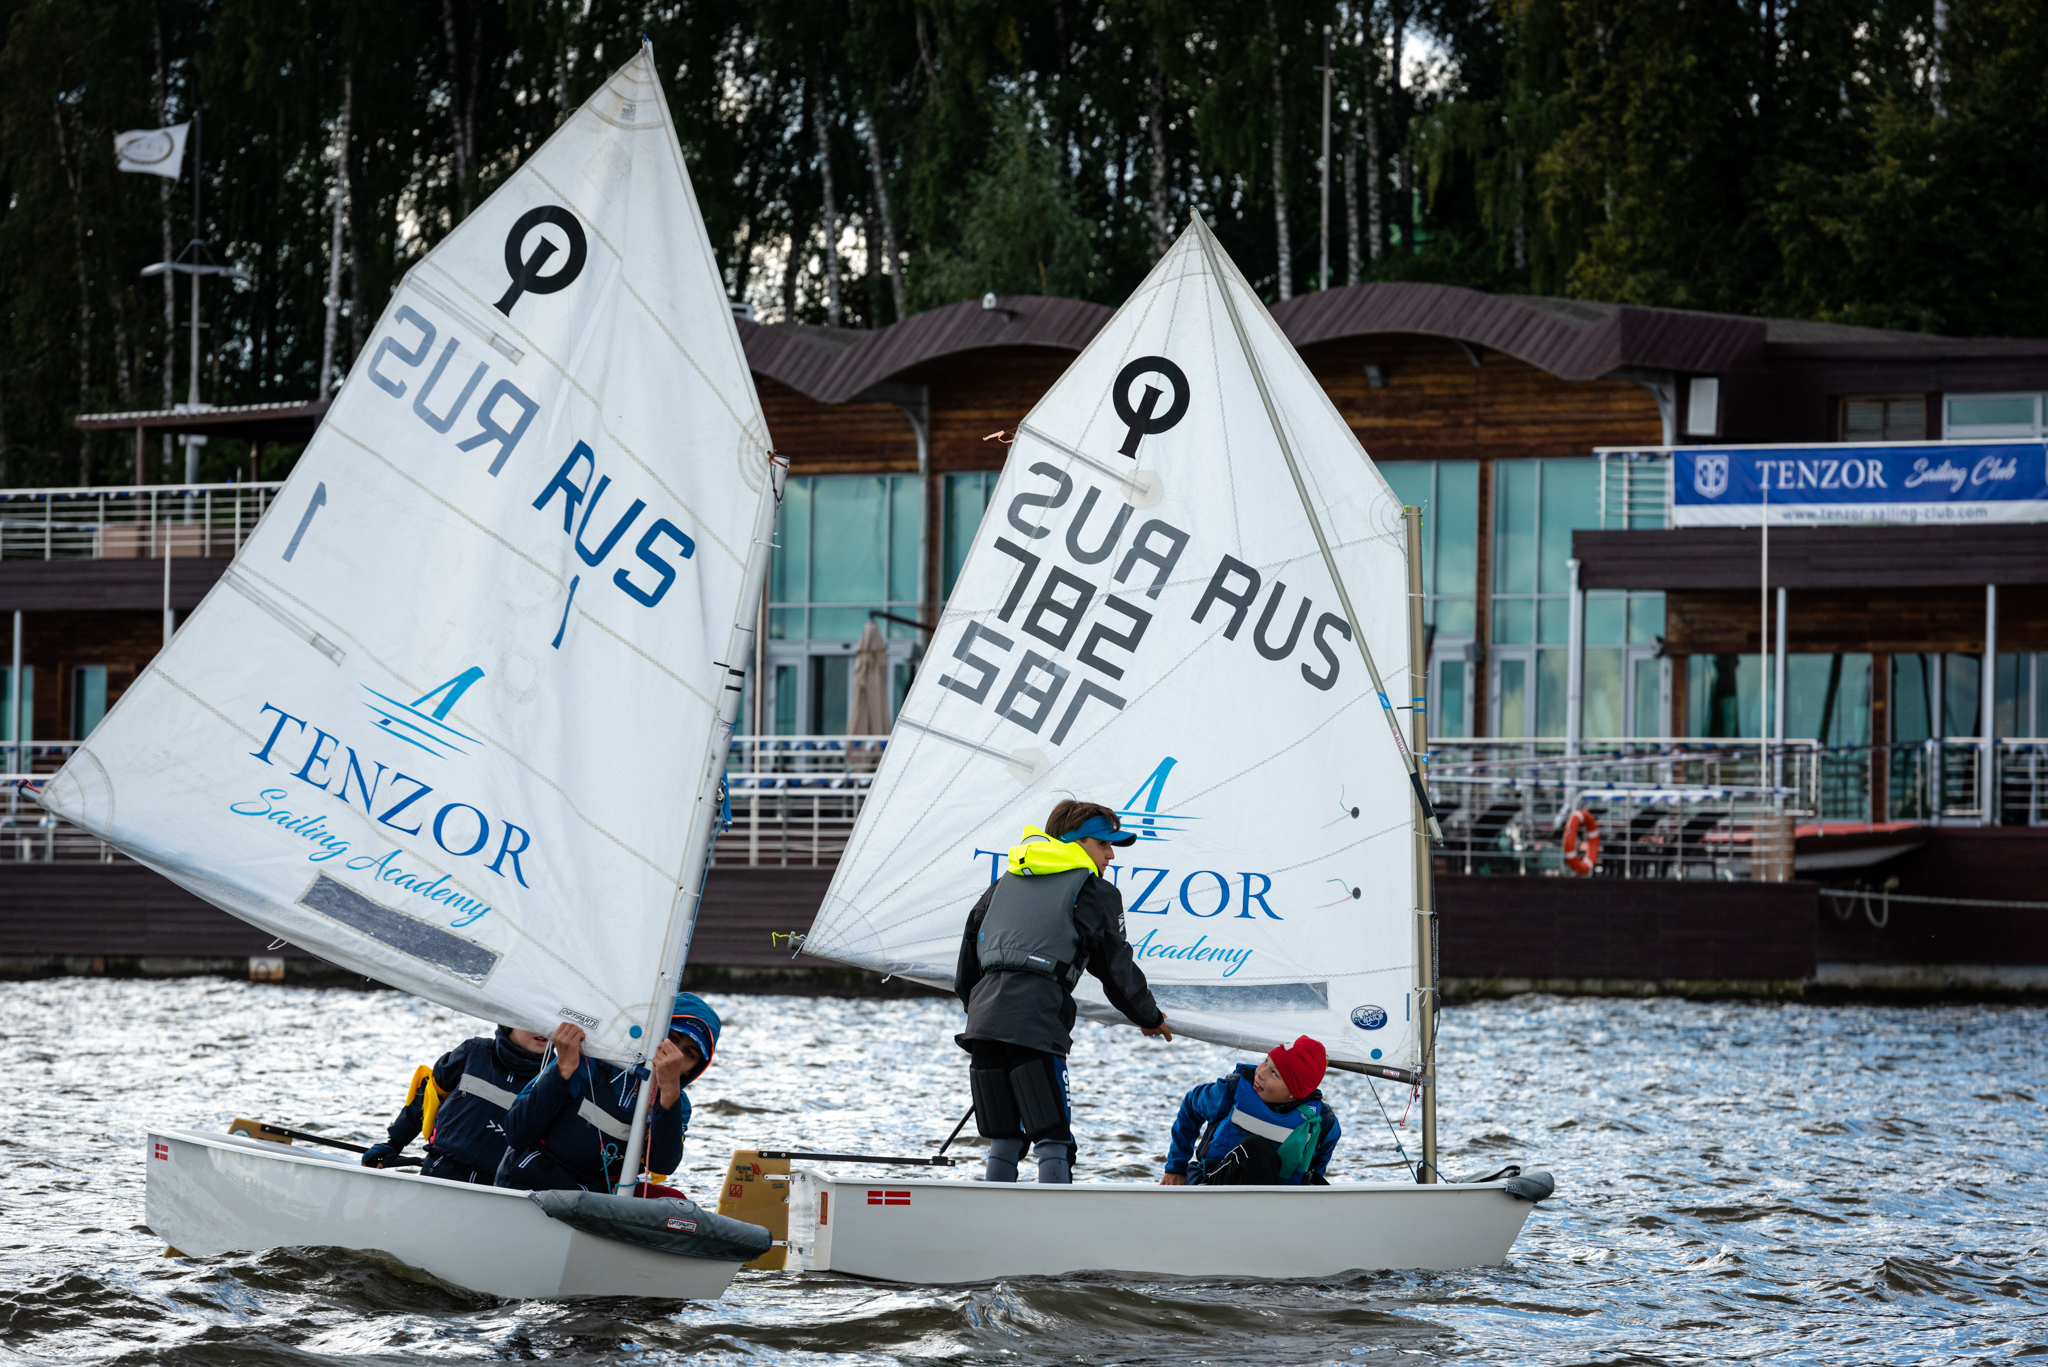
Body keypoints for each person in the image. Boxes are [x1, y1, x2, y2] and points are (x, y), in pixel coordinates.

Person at [956, 799, 1172, 1185]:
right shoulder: (1094, 891)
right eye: (1104, 844)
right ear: (1076, 842)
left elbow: (966, 969)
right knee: (1053, 1137)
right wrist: (1150, 1018)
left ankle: (991, 1216)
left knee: (1003, 1137)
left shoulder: (1001, 884)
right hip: (1037, 1022)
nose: (1110, 855)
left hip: (983, 1023)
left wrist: (982, 1011)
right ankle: (1054, 1225)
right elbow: (1115, 967)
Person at [493, 992, 720, 1193]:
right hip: (529, 1184)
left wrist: (669, 1096)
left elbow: (663, 1165)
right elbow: (516, 1132)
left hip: (593, 1200)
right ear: (654, 1033)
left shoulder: (677, 1102)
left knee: (676, 1200)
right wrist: (562, 1070)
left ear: (694, 1068)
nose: (675, 1055)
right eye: (673, 1038)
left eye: (689, 1054)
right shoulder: (588, 1063)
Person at [362, 1025, 548, 1183]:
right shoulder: (473, 1052)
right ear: (510, 1023)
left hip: (498, 1191)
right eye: (533, 1021)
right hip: (441, 1173)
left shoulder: (555, 1081)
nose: (543, 1028)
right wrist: (394, 1144)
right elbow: (428, 1096)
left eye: (549, 1022)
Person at [1161, 1036, 1342, 1187]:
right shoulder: (1229, 1093)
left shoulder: (1321, 1121)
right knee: (1256, 1149)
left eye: (1274, 1074)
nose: (1260, 1072)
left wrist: (1313, 1182)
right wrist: (1176, 1168)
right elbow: (1190, 1107)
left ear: (1295, 1093)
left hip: (1276, 1198)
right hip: (1211, 1183)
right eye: (1265, 1061)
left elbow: (1324, 1150)